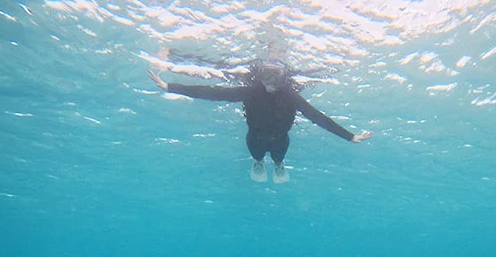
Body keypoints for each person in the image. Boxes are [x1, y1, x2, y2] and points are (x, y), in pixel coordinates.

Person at [148, 59, 373, 183]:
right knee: (257, 153)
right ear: (260, 75)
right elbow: (212, 92)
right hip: (254, 137)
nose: (270, 81)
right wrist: (170, 87)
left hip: (280, 139)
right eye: (267, 74)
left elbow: (317, 117)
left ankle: (277, 165)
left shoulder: (291, 96)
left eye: (276, 75)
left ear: (285, 78)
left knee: (277, 155)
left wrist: (350, 136)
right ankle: (259, 162)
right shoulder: (250, 91)